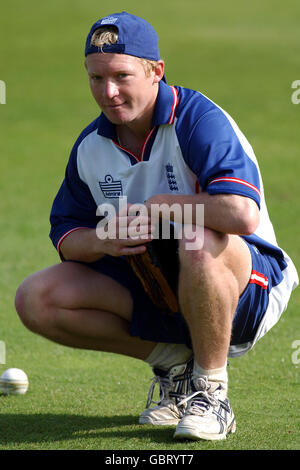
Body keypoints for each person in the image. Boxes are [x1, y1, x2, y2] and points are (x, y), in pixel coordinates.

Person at [15, 11, 298, 441]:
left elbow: (242, 214)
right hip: (158, 287)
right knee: (35, 298)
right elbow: (67, 234)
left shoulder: (199, 120)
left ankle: (212, 392)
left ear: (156, 72)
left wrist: (167, 206)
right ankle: (174, 365)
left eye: (121, 76)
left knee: (196, 234)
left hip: (248, 287)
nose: (107, 92)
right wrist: (102, 239)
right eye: (95, 78)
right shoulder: (91, 146)